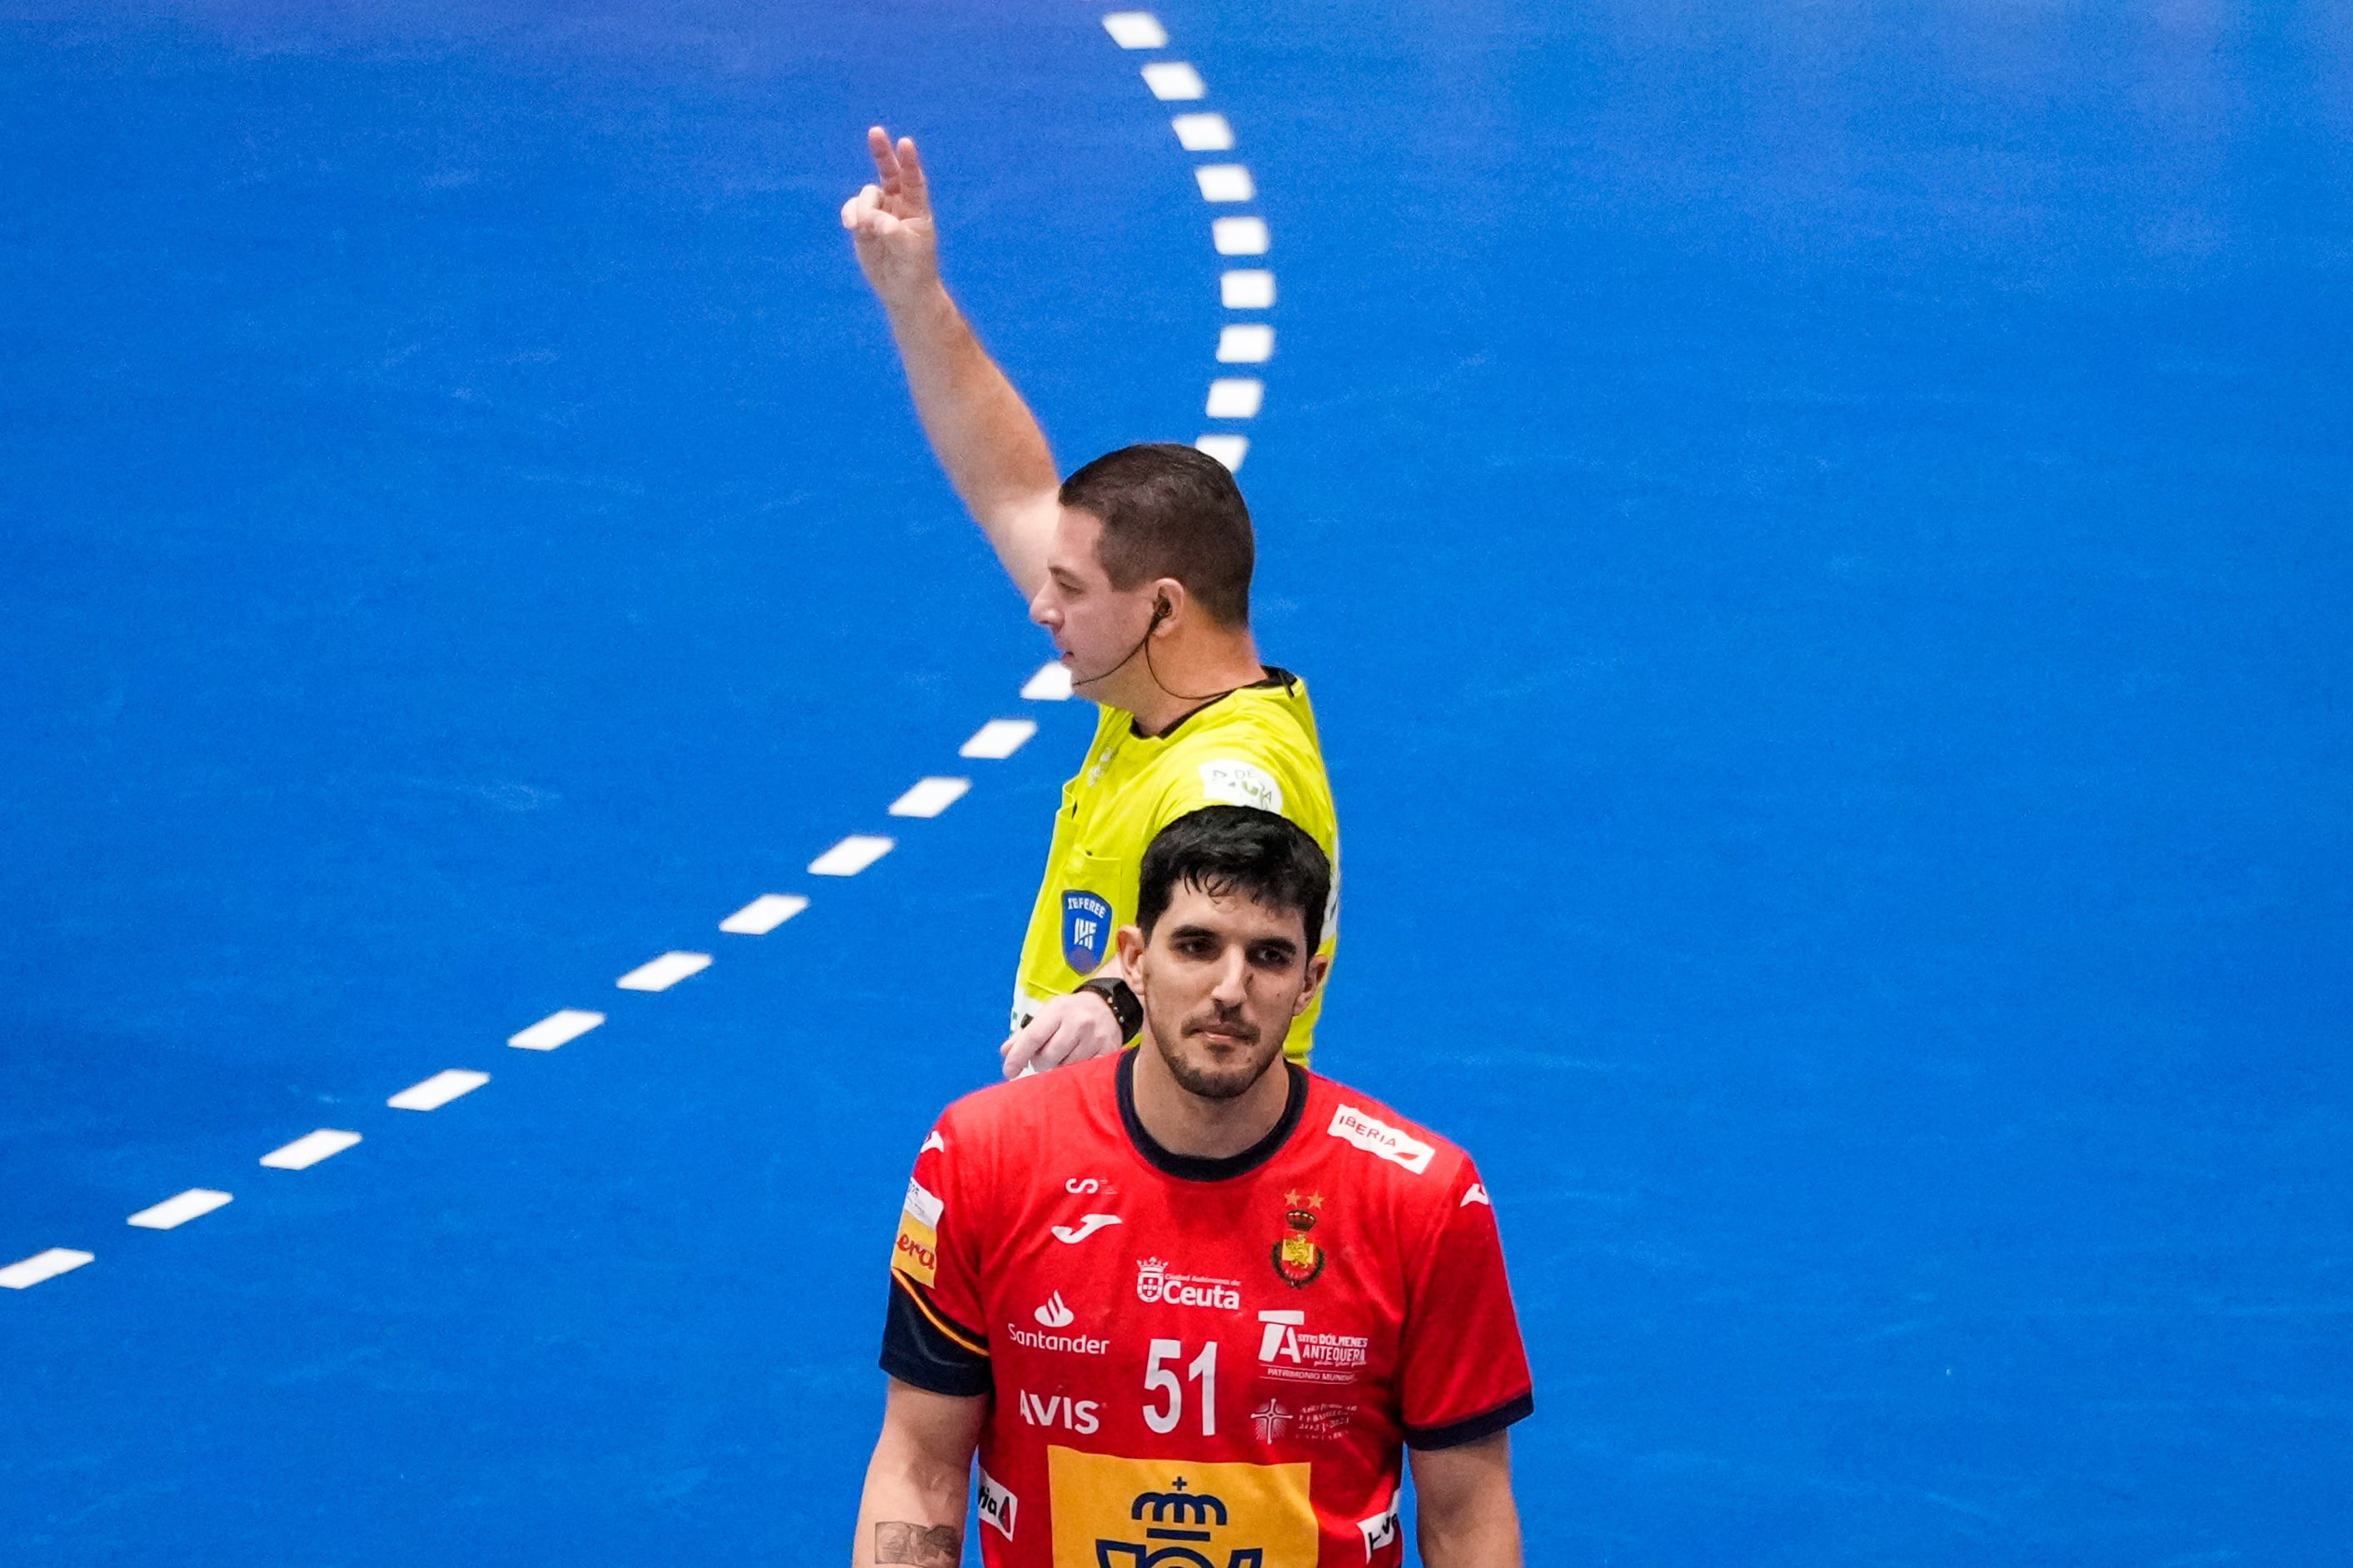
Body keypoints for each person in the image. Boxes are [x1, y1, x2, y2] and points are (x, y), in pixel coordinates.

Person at [855, 807, 1532, 1567]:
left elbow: (1466, 1515)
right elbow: (921, 1466)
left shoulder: (1421, 1196)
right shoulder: (983, 1157)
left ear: (1310, 981)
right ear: (1134, 959)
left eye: (1269, 956)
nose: (1229, 989)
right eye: (1196, 946)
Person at [840, 127, 1342, 1077]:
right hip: (1080, 1137)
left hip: (1157, 1187)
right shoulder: (1156, 696)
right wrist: (916, 297)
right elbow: (1014, 491)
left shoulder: (1231, 775)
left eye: (1068, 590)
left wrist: (1114, 999)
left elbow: (1235, 904)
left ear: (1162, 608)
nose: (1039, 608)